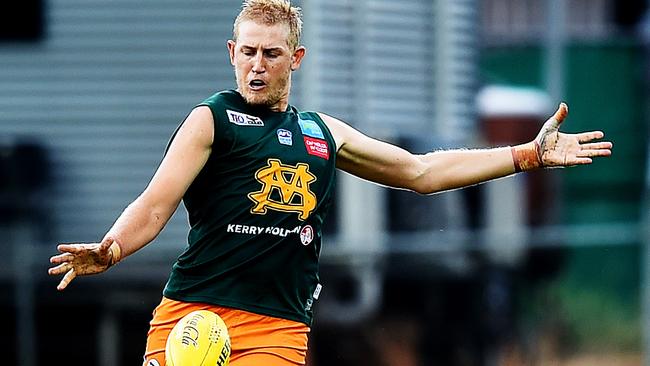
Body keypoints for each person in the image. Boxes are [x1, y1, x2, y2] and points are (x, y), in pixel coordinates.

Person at [47, 0, 613, 365]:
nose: (257, 65)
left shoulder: (323, 132)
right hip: (191, 315)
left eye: (271, 53)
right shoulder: (211, 120)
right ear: (231, 53)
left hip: (275, 331)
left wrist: (524, 155)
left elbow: (420, 172)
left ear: (296, 58)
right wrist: (112, 247)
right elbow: (153, 206)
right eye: (247, 53)